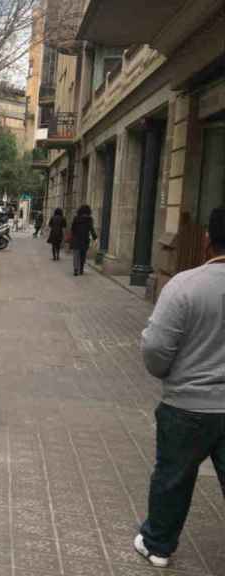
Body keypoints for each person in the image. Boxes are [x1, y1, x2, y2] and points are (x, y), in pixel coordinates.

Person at [135, 207, 225, 569]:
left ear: (207, 239)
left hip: (186, 406)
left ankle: (158, 546)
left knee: (173, 477)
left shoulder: (184, 286)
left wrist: (168, 373)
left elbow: (156, 351)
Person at [69, 205, 97, 276]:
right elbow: (91, 229)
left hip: (76, 238)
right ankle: (81, 269)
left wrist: (73, 235)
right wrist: (95, 237)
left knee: (76, 254)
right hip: (85, 239)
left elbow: (72, 229)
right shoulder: (89, 219)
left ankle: (75, 269)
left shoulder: (76, 218)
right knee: (83, 255)